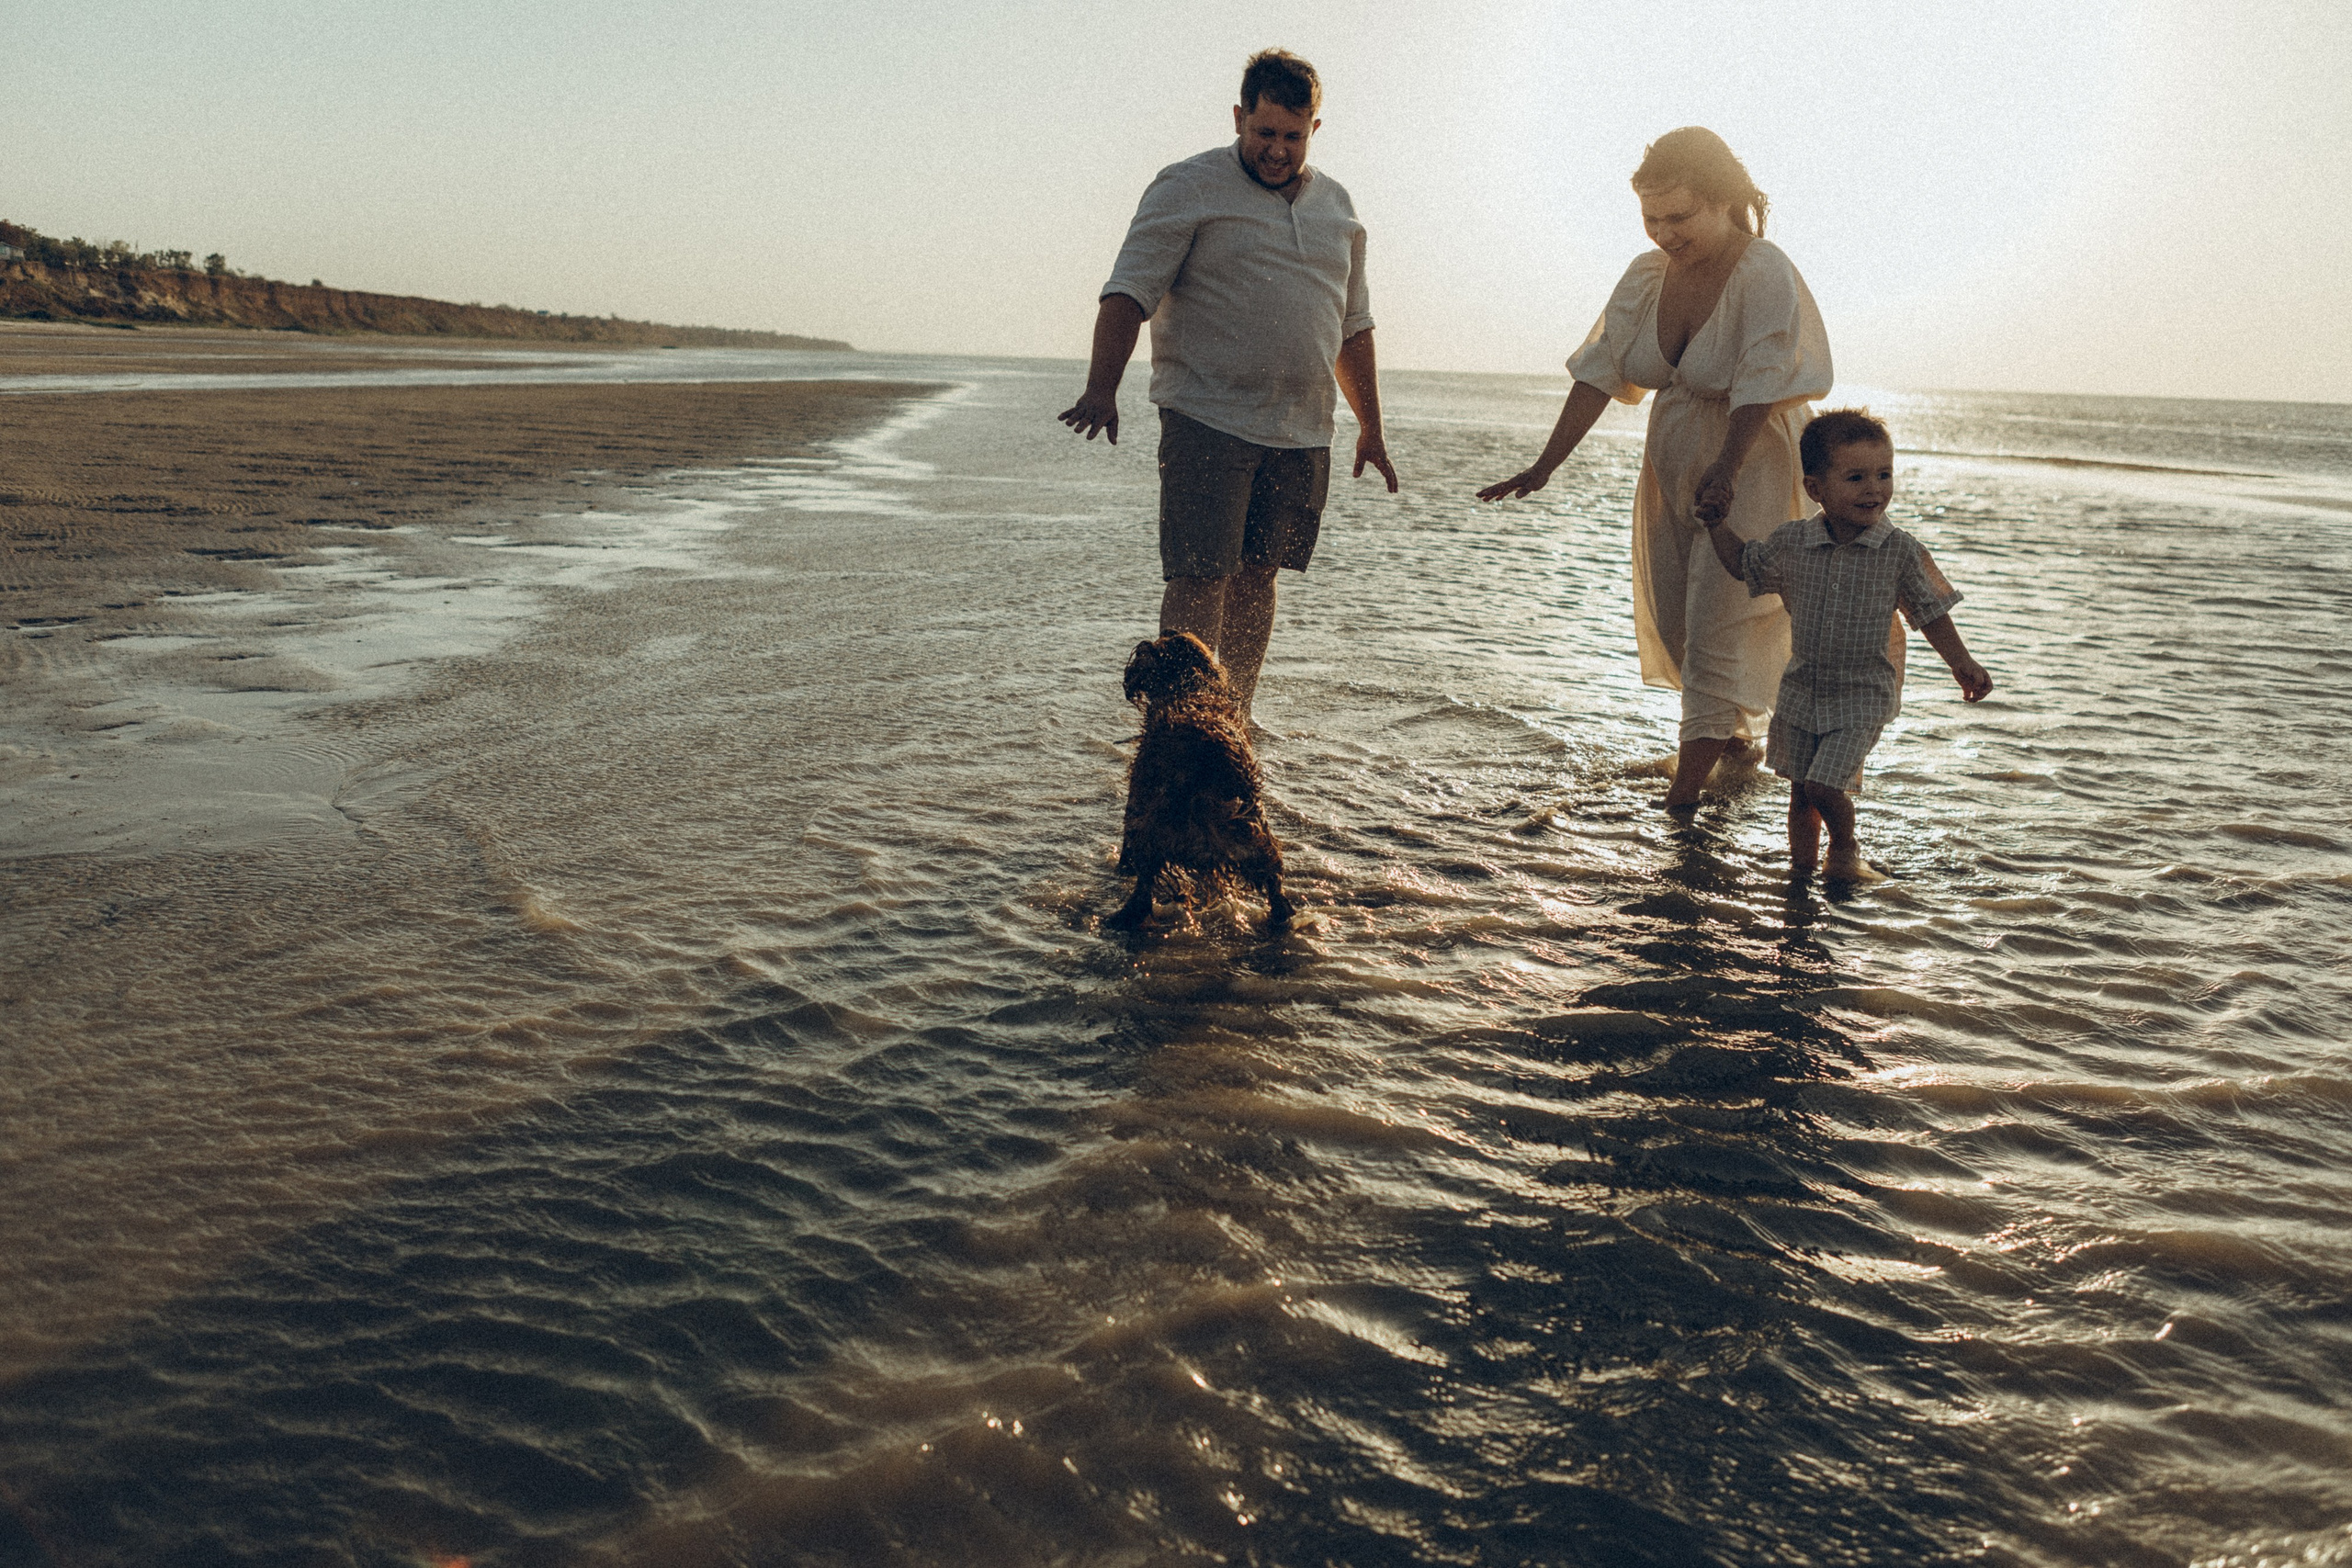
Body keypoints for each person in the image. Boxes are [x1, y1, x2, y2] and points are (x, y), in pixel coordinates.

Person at [1477, 128, 1830, 807]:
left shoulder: (1764, 269)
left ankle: (1684, 802)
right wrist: (1545, 464)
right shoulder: (1646, 276)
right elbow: (1600, 370)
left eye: (1680, 216)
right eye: (1652, 217)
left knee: (1717, 628)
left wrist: (1726, 471)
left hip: (1749, 462)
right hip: (1670, 470)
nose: (1664, 232)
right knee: (1677, 622)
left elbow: (1761, 378)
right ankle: (1732, 748)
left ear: (1723, 201)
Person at [1057, 47, 1396, 718]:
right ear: (1240, 117)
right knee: (1198, 575)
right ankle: (1177, 725)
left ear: (1314, 130)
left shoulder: (1339, 208)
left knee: (1258, 578)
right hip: (1206, 415)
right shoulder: (1189, 185)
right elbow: (1128, 290)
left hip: (1302, 428)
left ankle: (1231, 723)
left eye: (1292, 136)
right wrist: (1101, 387)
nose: (1276, 149)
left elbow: (1353, 326)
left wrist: (1372, 426)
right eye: (1263, 132)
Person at [1702, 408, 1993, 879]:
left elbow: (1930, 612)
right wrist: (1716, 525)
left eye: (1884, 474)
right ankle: (1801, 873)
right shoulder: (1794, 542)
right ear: (1815, 489)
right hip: (1802, 691)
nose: (1874, 488)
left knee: (1823, 783)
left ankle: (1846, 844)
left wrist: (1962, 662)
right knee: (1800, 791)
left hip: (1862, 695)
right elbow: (1744, 564)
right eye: (1856, 477)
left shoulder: (1899, 551)